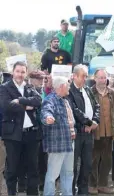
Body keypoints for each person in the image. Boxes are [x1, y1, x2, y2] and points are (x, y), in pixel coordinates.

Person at [0, 61, 42, 196]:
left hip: (31, 134)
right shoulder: (4, 87)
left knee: (33, 168)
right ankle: (12, 193)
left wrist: (21, 100)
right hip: (13, 135)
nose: (20, 74)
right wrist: (27, 106)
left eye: (23, 72)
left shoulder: (29, 87)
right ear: (13, 72)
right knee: (12, 168)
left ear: (26, 73)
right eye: (18, 71)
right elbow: (6, 106)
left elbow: (38, 101)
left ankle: (32, 194)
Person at [68, 64, 100, 195]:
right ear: (74, 76)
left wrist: (95, 122)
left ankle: (83, 191)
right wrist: (88, 122)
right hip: (77, 133)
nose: (85, 79)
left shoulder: (87, 89)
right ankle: (71, 191)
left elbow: (96, 106)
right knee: (73, 165)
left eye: (86, 76)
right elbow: (74, 110)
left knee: (87, 164)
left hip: (89, 133)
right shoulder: (69, 90)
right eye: (83, 76)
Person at [41, 76, 75, 196]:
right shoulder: (50, 99)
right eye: (67, 84)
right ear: (61, 86)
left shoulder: (64, 100)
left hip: (68, 143)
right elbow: (46, 111)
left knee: (68, 173)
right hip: (57, 145)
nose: (69, 87)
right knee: (52, 175)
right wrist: (47, 118)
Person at [89, 69, 114, 195]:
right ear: (95, 78)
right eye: (100, 77)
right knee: (93, 160)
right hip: (95, 132)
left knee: (107, 160)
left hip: (109, 131)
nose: (102, 80)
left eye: (104, 77)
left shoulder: (112, 93)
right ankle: (92, 185)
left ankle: (103, 185)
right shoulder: (90, 92)